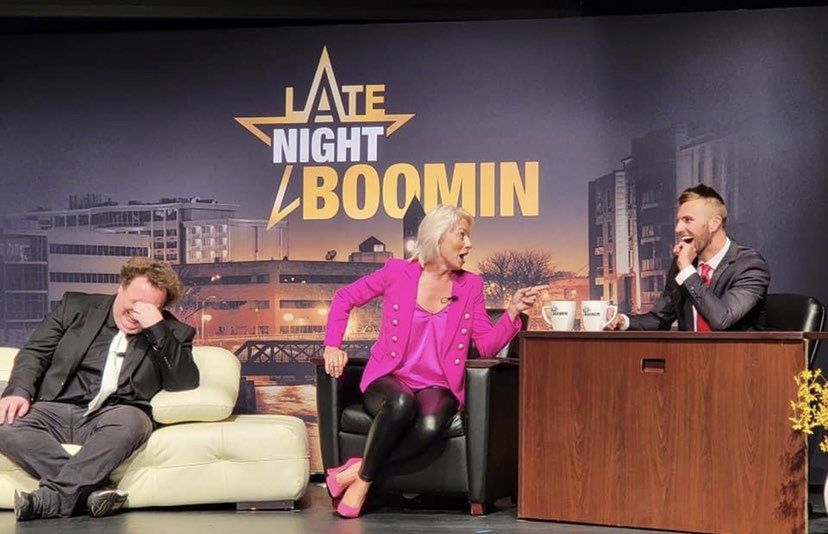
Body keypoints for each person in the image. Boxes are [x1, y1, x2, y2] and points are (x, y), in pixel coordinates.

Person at [322, 204, 543, 518]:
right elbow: (345, 298)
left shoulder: (471, 286)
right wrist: (332, 345)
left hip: (438, 384)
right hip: (390, 377)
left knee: (429, 425)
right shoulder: (397, 272)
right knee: (400, 403)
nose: (469, 244)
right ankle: (361, 485)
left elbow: (485, 347)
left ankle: (358, 472)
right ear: (438, 237)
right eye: (462, 235)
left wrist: (512, 313)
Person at [0, 257, 200, 521]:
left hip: (115, 416)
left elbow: (184, 380)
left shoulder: (173, 332)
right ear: (121, 287)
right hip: (56, 408)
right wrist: (18, 390)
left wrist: (157, 329)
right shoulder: (76, 307)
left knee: (133, 422)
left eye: (152, 307)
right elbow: (35, 353)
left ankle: (49, 500)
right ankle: (97, 492)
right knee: (5, 421)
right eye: (135, 302)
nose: (138, 312)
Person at [605, 184, 770, 331]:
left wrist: (686, 270)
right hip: (690, 360)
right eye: (678, 221)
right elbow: (660, 318)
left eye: (687, 220)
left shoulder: (749, 265)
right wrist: (624, 321)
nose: (678, 229)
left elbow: (722, 319)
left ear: (714, 223)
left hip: (735, 362)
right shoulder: (683, 265)